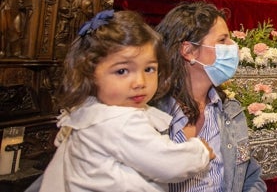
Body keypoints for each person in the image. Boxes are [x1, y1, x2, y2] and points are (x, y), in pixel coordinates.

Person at [37, 10, 214, 192]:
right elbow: (166, 163)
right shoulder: (120, 121)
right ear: (89, 74)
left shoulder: (88, 112)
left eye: (149, 69)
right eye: (122, 71)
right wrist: (200, 151)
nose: (140, 83)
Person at [154, 1, 267, 192]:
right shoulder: (153, 115)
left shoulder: (230, 111)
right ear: (188, 51)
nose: (233, 47)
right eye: (222, 41)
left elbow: (249, 175)